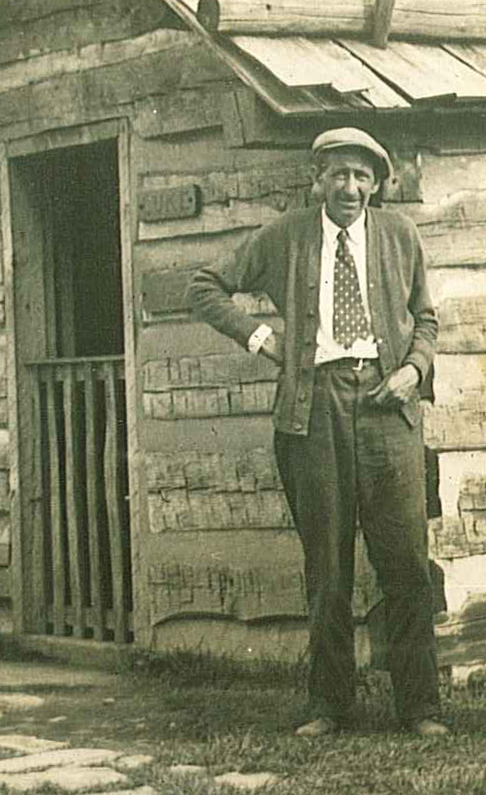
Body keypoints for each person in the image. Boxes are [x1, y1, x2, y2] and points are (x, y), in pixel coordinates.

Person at [186, 127, 446, 738]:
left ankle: (421, 707)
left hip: (389, 411)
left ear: (377, 185)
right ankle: (330, 705)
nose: (350, 188)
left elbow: (426, 318)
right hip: (314, 408)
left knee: (405, 561)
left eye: (362, 177)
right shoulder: (286, 236)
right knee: (327, 564)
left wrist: (413, 368)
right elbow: (205, 286)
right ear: (318, 179)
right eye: (339, 175)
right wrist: (261, 339)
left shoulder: (400, 236)